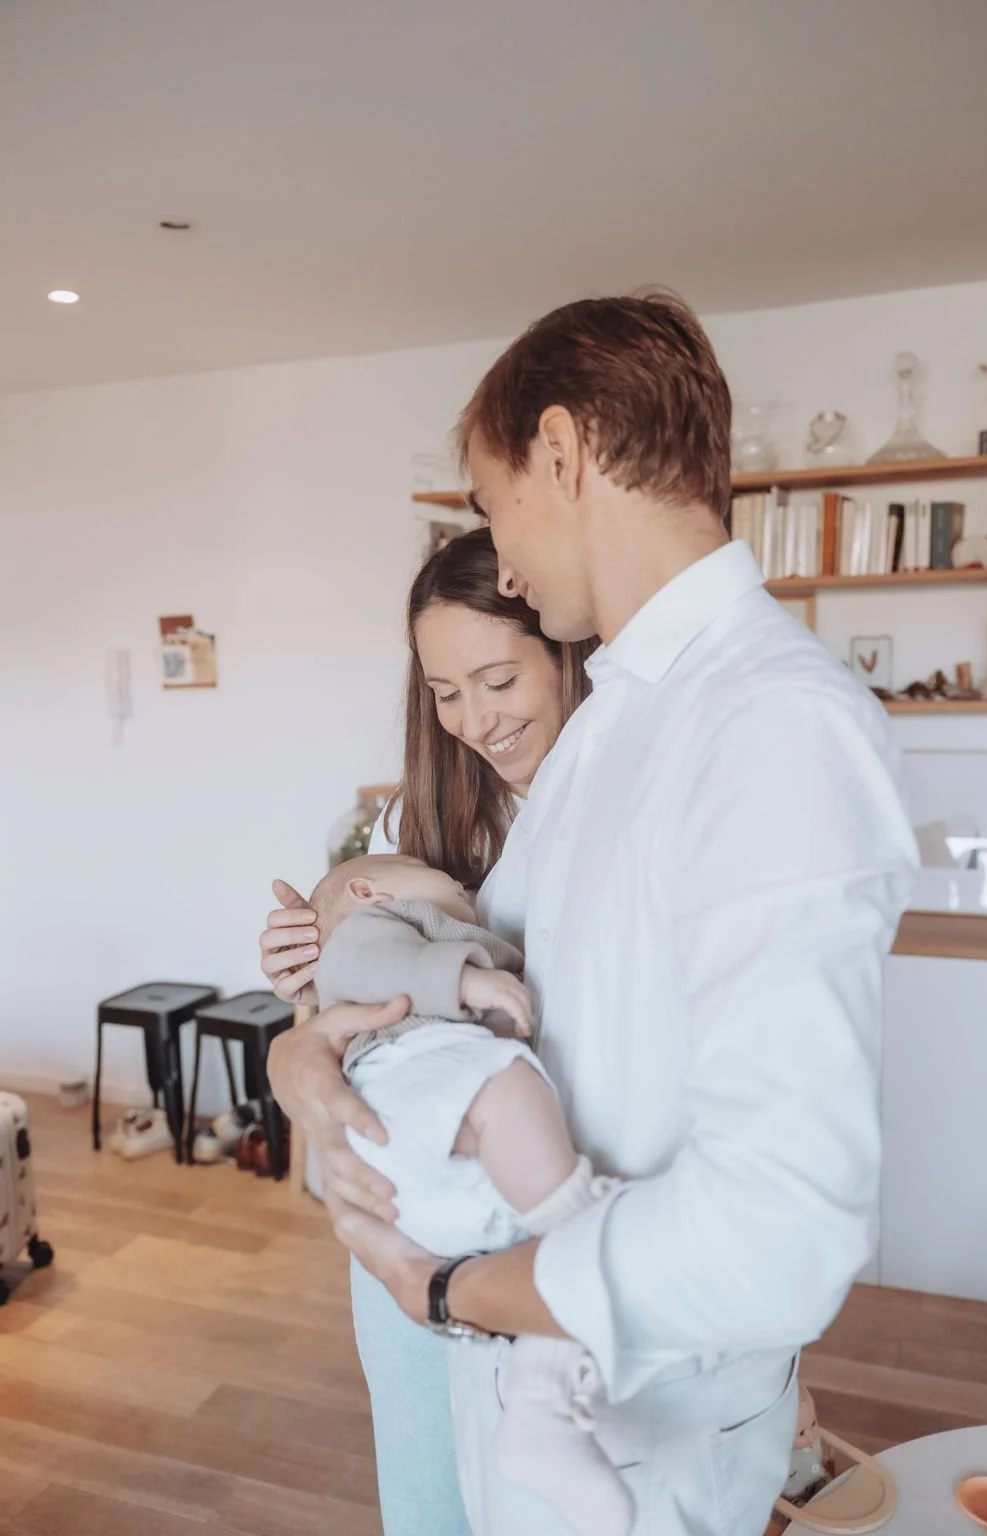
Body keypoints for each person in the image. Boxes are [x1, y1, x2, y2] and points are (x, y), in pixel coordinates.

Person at [269, 291, 918, 1536]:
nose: (502, 558)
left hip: (634, 1428)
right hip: (524, 1384)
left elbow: (782, 1225)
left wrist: (458, 1291)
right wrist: (314, 1041)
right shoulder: (615, 721)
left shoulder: (771, 723)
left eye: (495, 502)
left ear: (561, 455)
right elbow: (488, 983)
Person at [260, 527, 594, 1536]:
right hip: (421, 1216)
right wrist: (301, 1008)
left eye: (496, 679)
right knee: (425, 1498)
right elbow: (349, 1011)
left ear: (565, 654)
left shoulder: (607, 808)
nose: (475, 721)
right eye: (445, 693)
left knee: (555, 1487)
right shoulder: (424, 814)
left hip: (551, 1219)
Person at [310, 850, 631, 1536]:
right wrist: (470, 983)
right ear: (369, 889)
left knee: (526, 1259)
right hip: (396, 1079)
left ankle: (541, 1401)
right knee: (507, 1088)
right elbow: (358, 966)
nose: (461, 887)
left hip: (434, 1147)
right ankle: (580, 1222)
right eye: (444, 880)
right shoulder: (379, 925)